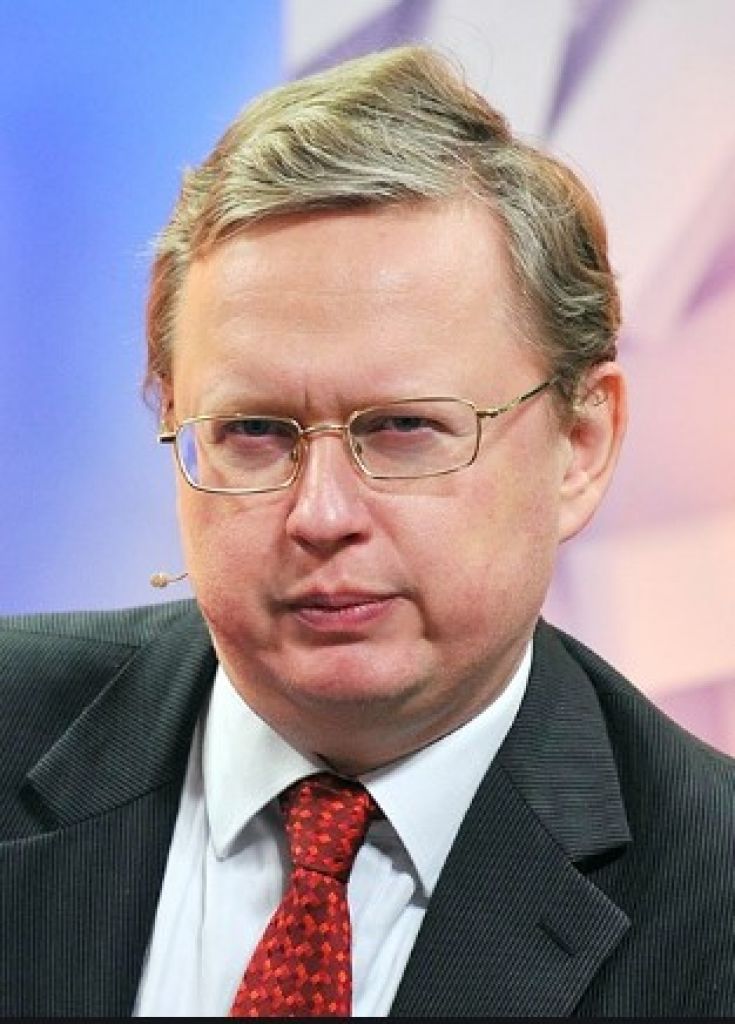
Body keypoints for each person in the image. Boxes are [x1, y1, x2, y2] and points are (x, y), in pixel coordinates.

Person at [1, 44, 733, 1019]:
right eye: (253, 431)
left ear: (580, 445)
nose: (321, 515)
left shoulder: (711, 894)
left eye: (403, 428)